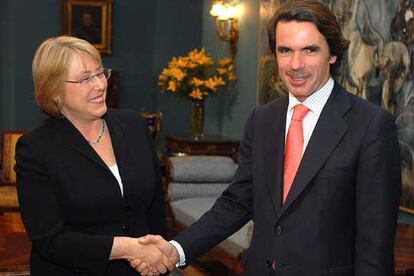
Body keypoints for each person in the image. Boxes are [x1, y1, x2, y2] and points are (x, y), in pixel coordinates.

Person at [131, 0, 402, 275]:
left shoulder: (370, 125)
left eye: (310, 50)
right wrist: (177, 249)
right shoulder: (262, 120)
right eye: (285, 51)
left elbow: (375, 244)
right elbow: (238, 202)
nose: (295, 64)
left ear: (332, 54)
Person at [15, 36, 173, 275]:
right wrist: (127, 247)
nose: (100, 85)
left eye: (100, 73)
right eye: (85, 78)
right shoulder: (35, 149)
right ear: (54, 91)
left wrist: (160, 258)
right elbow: (51, 241)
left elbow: (155, 209)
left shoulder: (133, 125)